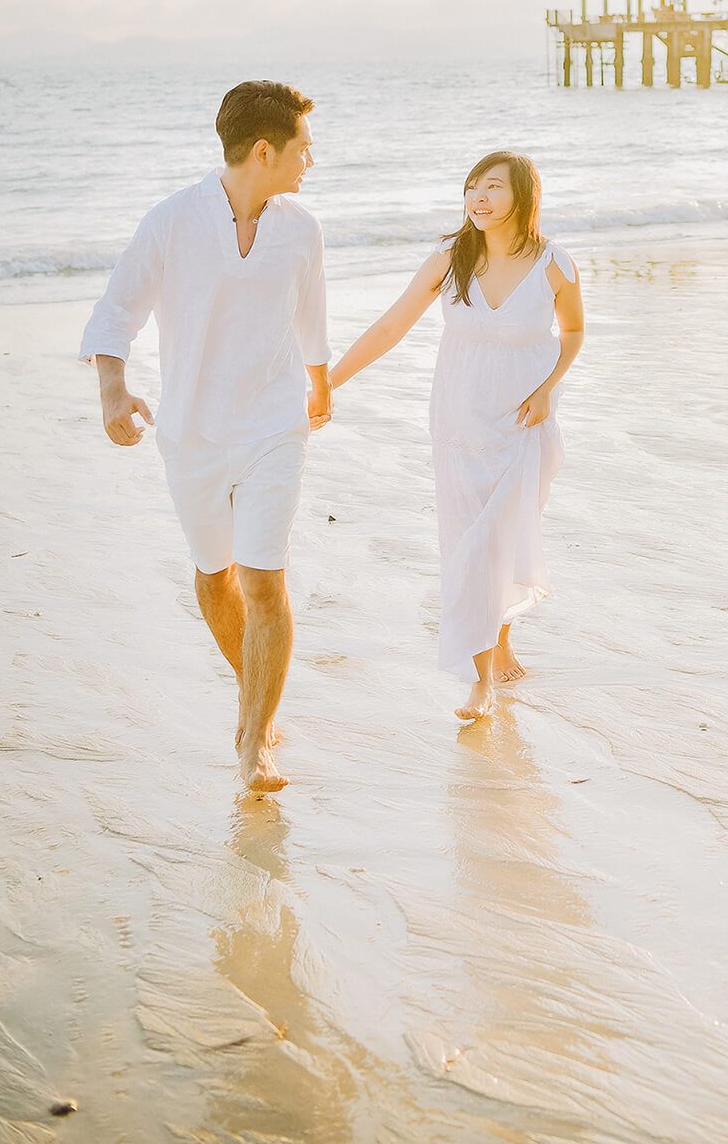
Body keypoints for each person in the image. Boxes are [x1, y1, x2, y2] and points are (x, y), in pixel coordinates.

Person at [80, 81, 332, 794]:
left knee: (262, 576)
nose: (311, 160)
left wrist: (320, 381)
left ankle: (254, 741)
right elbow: (117, 310)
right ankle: (257, 690)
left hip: (275, 424)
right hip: (191, 430)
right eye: (303, 148)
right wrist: (112, 392)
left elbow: (311, 314)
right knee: (214, 575)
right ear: (264, 150)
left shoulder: (300, 226)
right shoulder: (171, 222)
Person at [330, 151, 584, 723]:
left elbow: (573, 332)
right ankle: (481, 681)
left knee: (501, 539)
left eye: (493, 187)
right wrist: (327, 384)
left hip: (523, 426)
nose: (479, 197)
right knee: (468, 547)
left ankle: (497, 645)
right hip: (460, 427)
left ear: (524, 196)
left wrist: (547, 389)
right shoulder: (449, 260)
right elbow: (392, 325)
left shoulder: (553, 264)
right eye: (472, 187)